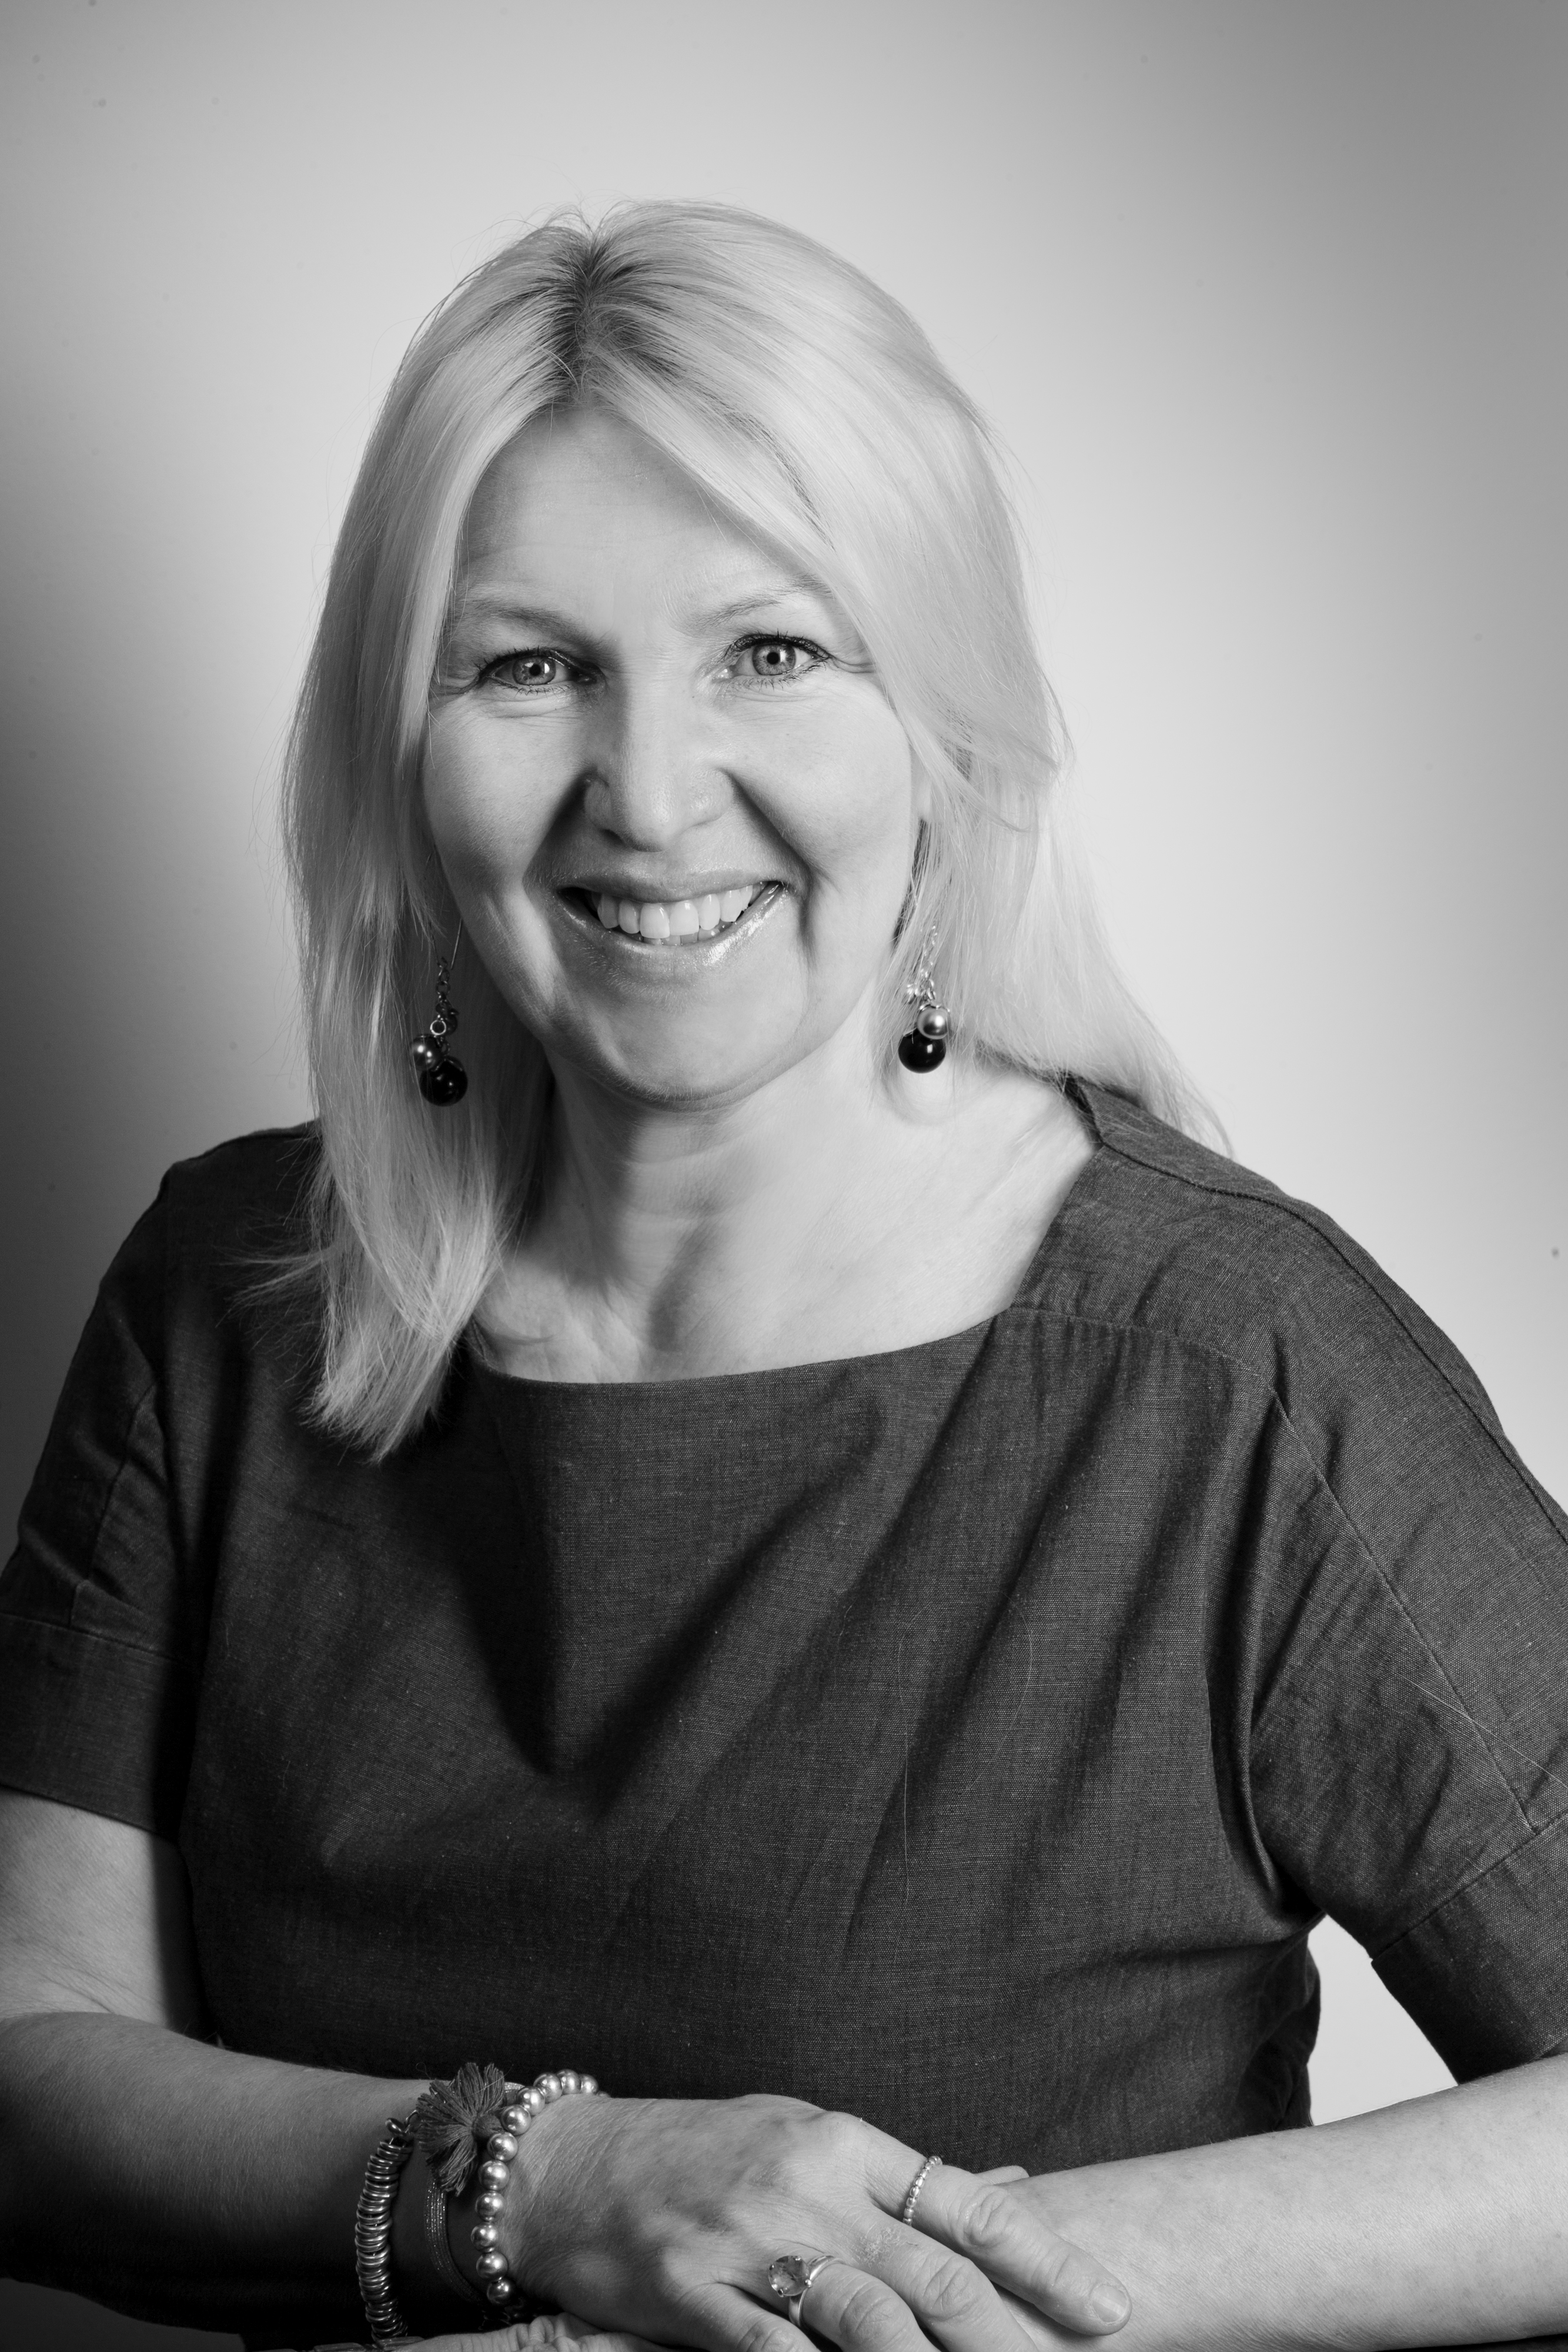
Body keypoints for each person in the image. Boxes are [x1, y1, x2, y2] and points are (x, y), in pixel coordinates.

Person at [1, 199, 1565, 2352]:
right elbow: (29, 2066)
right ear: (397, 742)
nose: (650, 796)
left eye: (773, 651)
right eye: (529, 665)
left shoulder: (1234, 1366)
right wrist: (549, 2184)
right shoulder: (222, 1296)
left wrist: (932, 2286)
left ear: (942, 728)